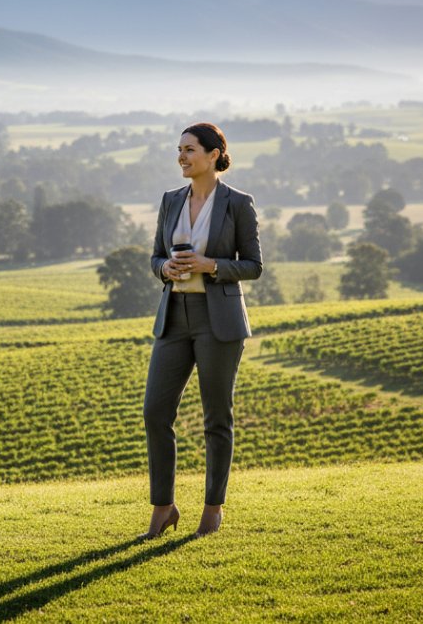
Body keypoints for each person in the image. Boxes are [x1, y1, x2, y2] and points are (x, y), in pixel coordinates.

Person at [141, 122, 262, 540]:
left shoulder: (238, 204)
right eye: (179, 149)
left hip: (219, 322)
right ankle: (164, 507)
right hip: (174, 317)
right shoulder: (170, 200)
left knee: (216, 418)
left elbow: (253, 266)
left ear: (214, 154)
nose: (181, 156)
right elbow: (156, 255)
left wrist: (210, 266)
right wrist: (165, 268)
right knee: (155, 412)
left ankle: (213, 509)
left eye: (189, 149)